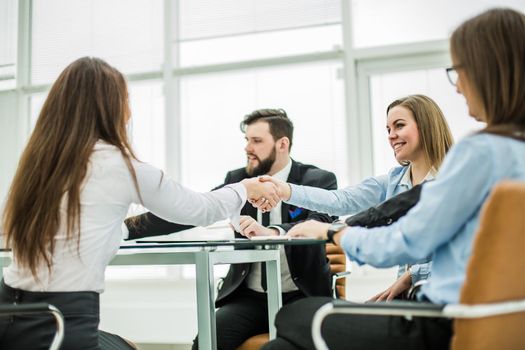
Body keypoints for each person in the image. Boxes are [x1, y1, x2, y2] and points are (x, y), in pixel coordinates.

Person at [261, 7, 525, 350]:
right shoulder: (511, 155)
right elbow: (344, 200)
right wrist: (286, 190)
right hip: (492, 319)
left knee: (291, 317)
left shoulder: (476, 155)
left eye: (459, 70)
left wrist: (332, 232)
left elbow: (406, 243)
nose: (458, 85)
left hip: (438, 322)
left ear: (487, 71)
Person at [0, 57, 278, 350]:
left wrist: (116, 231)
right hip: (61, 324)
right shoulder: (119, 165)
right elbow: (201, 209)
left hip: (10, 316)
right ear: (109, 107)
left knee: (126, 344)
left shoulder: (39, 164)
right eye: (126, 100)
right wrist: (244, 188)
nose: (129, 111)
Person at [126, 109, 338, 350]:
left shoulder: (317, 180)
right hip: (250, 298)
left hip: (301, 295)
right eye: (247, 140)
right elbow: (189, 212)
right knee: (208, 342)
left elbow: (321, 222)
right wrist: (124, 229)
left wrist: (273, 231)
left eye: (257, 141)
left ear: (282, 144)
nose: (248, 148)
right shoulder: (238, 180)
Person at [261, 94, 454, 301]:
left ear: (426, 126)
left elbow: (467, 254)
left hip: (443, 297)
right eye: (388, 130)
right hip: (405, 297)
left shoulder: (453, 183)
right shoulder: (393, 182)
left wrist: (414, 275)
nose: (391, 135)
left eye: (399, 126)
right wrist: (285, 190)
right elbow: (340, 201)